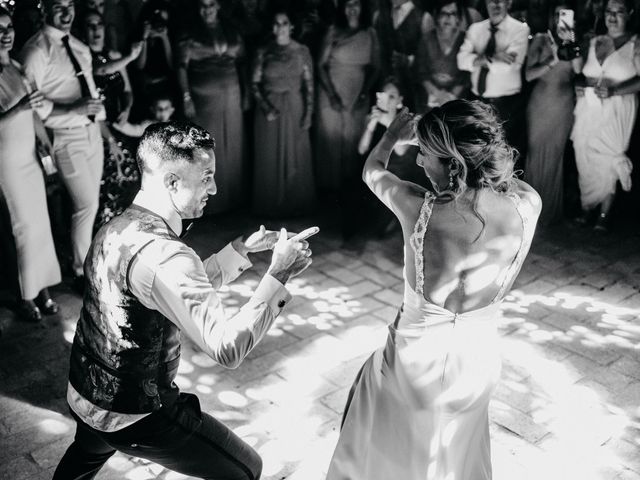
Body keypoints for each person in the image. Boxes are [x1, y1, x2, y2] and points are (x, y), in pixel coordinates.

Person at [52, 121, 318, 480]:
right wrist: (279, 274)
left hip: (84, 391)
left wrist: (240, 251)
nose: (214, 187)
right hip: (135, 413)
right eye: (206, 176)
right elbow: (227, 347)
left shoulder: (115, 226)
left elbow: (163, 292)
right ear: (172, 182)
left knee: (82, 460)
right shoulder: (168, 256)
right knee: (245, 469)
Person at [326, 100, 541, 480]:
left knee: (391, 451)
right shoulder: (528, 205)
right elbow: (505, 179)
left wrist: (392, 136)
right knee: (456, 458)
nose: (421, 163)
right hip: (476, 365)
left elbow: (372, 170)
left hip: (412, 366)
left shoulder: (415, 207)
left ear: (453, 165)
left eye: (425, 154)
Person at [18, 0, 105, 291]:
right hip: (66, 138)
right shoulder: (36, 51)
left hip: (92, 133)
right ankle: (82, 272)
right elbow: (30, 107)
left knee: (92, 204)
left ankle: (90, 262)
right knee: (86, 205)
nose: (67, 13)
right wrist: (75, 110)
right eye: (59, 7)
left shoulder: (77, 45)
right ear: (45, 10)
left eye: (70, 5)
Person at [0, 6, 61, 322]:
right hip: (6, 160)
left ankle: (44, 288)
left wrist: (44, 142)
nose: (6, 33)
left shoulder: (16, 67)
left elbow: (33, 111)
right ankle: (25, 295)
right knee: (21, 227)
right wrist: (20, 107)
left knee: (40, 225)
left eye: (8, 26)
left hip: (29, 155)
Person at [571, 0, 640, 231]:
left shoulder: (635, 43)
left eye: (619, 11)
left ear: (629, 13)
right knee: (584, 154)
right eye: (609, 12)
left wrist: (614, 90)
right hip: (588, 108)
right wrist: (579, 85)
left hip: (618, 107)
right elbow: (580, 72)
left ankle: (604, 214)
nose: (612, 17)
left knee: (608, 156)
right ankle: (586, 207)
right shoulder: (593, 40)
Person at [177, 0, 246, 215]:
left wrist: (247, 94)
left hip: (232, 96)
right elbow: (181, 66)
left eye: (212, 4)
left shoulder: (231, 29)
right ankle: (209, 204)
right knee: (208, 146)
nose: (208, 9)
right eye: (203, 5)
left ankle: (233, 199)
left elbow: (242, 61)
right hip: (203, 99)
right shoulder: (189, 32)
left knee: (232, 144)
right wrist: (186, 97)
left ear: (219, 7)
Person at [251, 10, 316, 217]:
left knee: (296, 155)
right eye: (277, 23)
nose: (281, 27)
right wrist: (266, 107)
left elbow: (310, 85)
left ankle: (295, 205)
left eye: (284, 23)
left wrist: (309, 113)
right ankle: (271, 206)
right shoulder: (263, 51)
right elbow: (253, 83)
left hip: (295, 107)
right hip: (269, 110)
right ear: (272, 27)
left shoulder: (302, 50)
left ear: (291, 26)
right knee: (269, 155)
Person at [524, 4, 582, 226]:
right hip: (540, 104)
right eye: (556, 14)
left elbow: (578, 69)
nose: (560, 19)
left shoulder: (574, 42)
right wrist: (553, 59)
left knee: (556, 155)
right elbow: (529, 75)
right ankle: (530, 210)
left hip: (563, 105)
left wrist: (570, 43)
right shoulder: (540, 39)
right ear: (551, 18)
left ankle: (549, 211)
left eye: (564, 15)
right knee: (535, 152)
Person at [315, 0, 380, 192]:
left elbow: (376, 67)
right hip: (331, 90)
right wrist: (332, 95)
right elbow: (320, 65)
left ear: (362, 7)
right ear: (343, 8)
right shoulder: (334, 31)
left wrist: (363, 92)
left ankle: (349, 191)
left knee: (353, 141)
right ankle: (329, 191)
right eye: (348, 4)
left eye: (356, 4)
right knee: (331, 139)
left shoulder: (370, 33)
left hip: (357, 91)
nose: (352, 9)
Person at [457, 0, 530, 161]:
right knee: (478, 154)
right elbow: (462, 61)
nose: (495, 5)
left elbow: (510, 67)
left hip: (507, 105)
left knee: (507, 156)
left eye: (500, 1)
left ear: (509, 3)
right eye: (491, 1)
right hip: (478, 102)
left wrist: (476, 59)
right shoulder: (476, 29)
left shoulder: (519, 30)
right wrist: (493, 57)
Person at [416, 0, 471, 110]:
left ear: (458, 18)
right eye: (443, 13)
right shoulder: (427, 39)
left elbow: (466, 75)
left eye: (453, 14)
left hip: (457, 96)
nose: (448, 18)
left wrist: (450, 97)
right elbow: (421, 72)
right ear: (437, 17)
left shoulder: (465, 40)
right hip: (431, 95)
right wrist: (437, 94)